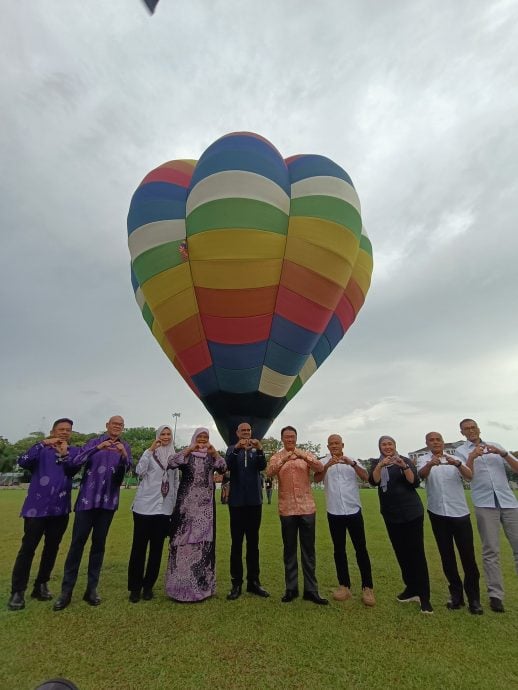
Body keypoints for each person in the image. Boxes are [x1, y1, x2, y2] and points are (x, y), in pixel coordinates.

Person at [53, 416, 132, 610]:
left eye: (120, 425)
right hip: (87, 501)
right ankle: (66, 591)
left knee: (99, 546)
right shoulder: (93, 442)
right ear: (107, 425)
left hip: (107, 502)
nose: (117, 427)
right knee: (77, 545)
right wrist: (97, 448)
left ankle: (91, 589)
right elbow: (74, 463)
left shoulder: (125, 446)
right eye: (114, 424)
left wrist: (123, 456)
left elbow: (127, 470)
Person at [7, 418, 81, 611]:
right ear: (53, 430)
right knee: (28, 548)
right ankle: (17, 591)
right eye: (61, 429)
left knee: (52, 548)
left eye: (68, 430)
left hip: (60, 508)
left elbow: (73, 470)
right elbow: (23, 461)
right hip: (36, 508)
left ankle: (41, 584)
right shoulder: (41, 450)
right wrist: (41, 443)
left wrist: (64, 455)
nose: (65, 432)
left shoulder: (72, 451)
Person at [455, 418, 518, 613]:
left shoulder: (496, 446)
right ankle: (495, 595)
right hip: (484, 503)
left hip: (508, 501)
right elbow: (467, 476)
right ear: (462, 433)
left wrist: (503, 453)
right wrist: (472, 457)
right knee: (491, 550)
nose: (471, 431)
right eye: (467, 429)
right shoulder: (461, 451)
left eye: (473, 427)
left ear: (479, 428)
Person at [417, 431, 482, 614]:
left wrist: (458, 463)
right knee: (447, 557)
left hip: (459, 512)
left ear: (443, 442)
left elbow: (469, 476)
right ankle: (456, 596)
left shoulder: (455, 457)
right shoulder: (423, 459)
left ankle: (474, 599)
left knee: (468, 557)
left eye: (438, 440)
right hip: (437, 512)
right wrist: (430, 463)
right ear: (427, 443)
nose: (435, 442)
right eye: (431, 440)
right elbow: (420, 476)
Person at [369, 435, 433, 614]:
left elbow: (414, 482)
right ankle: (411, 588)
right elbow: (373, 481)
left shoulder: (404, 460)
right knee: (401, 552)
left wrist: (403, 466)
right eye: (384, 444)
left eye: (390, 444)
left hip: (411, 513)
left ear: (395, 445)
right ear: (379, 447)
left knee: (416, 553)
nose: (387, 447)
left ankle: (424, 597)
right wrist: (381, 465)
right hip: (391, 515)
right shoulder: (377, 463)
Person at [266, 426, 327, 605]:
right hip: (287, 509)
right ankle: (291, 588)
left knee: (308, 550)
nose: (290, 440)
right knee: (289, 549)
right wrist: (285, 458)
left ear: (296, 438)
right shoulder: (277, 456)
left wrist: (303, 456)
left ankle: (311, 590)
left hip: (307, 508)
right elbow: (269, 472)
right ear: (282, 439)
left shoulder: (305, 454)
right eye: (287, 437)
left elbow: (320, 467)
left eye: (292, 437)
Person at [165, 427, 226, 602]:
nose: (202, 439)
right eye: (200, 436)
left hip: (205, 509)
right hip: (186, 506)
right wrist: (188, 449)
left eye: (205, 437)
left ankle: (202, 588)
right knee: (182, 542)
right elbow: (171, 463)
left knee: (203, 545)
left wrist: (215, 454)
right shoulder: (187, 455)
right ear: (194, 438)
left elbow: (223, 468)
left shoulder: (210, 456)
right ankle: (179, 588)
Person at [314, 434, 375, 607]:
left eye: (337, 443)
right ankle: (344, 585)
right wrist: (327, 466)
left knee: (360, 549)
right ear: (327, 446)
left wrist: (353, 464)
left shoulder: (352, 459)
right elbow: (316, 478)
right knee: (339, 549)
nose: (334, 446)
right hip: (334, 510)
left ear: (342, 445)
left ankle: (367, 587)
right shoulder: (323, 461)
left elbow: (366, 477)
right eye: (331, 444)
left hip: (353, 509)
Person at [127, 425, 179, 603]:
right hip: (144, 508)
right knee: (139, 549)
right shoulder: (149, 454)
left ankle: (148, 586)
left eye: (168, 434)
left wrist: (174, 507)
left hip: (164, 509)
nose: (165, 437)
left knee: (156, 550)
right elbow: (139, 471)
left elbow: (175, 482)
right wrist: (149, 450)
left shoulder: (174, 456)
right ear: (157, 436)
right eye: (162, 434)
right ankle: (135, 588)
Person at [225, 422, 269, 601]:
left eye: (248, 430)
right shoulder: (230, 449)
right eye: (243, 430)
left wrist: (259, 449)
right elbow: (228, 466)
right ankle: (236, 583)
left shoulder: (255, 449)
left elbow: (262, 466)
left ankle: (254, 582)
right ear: (237, 433)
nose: (246, 433)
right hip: (236, 503)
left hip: (254, 502)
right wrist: (236, 448)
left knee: (253, 543)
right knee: (236, 544)